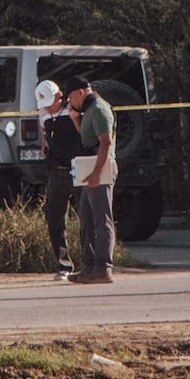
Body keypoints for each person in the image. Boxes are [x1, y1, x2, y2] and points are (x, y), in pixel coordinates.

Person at [63, 75, 117, 284]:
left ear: (80, 92)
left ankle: (103, 267)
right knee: (86, 217)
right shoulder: (89, 111)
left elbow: (105, 143)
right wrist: (76, 119)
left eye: (71, 97)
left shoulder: (100, 110)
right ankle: (90, 266)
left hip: (100, 169)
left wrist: (96, 174)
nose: (70, 102)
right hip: (91, 168)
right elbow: (88, 139)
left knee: (102, 220)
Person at [34, 79, 82, 280]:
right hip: (56, 170)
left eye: (50, 103)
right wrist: (45, 141)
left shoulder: (73, 110)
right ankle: (64, 265)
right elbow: (44, 131)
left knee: (86, 216)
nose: (47, 108)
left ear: (60, 97)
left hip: (77, 169)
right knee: (55, 218)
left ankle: (91, 262)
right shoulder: (44, 113)